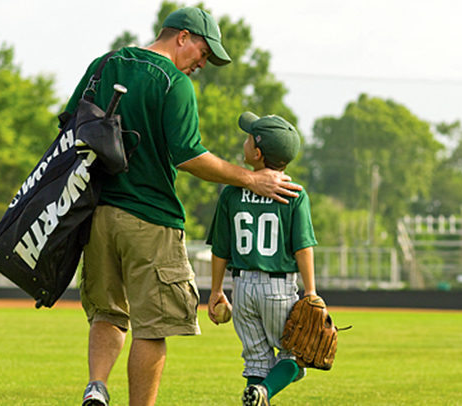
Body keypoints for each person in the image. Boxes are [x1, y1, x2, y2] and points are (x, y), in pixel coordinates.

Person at [68, 7, 303, 406]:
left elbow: (72, 125)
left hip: (97, 216)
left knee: (107, 313)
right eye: (203, 52)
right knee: (152, 327)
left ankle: (97, 387)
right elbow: (189, 156)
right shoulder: (173, 83)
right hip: (150, 218)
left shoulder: (104, 65)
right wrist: (251, 178)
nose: (202, 63)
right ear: (182, 38)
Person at [206, 111, 317, 406]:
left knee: (256, 361)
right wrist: (311, 292)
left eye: (247, 138)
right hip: (278, 290)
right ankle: (264, 392)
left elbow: (220, 249)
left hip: (241, 289)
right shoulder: (295, 194)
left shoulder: (232, 193)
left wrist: (217, 291)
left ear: (256, 153)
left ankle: (256, 393)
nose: (243, 142)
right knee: (295, 357)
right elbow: (303, 247)